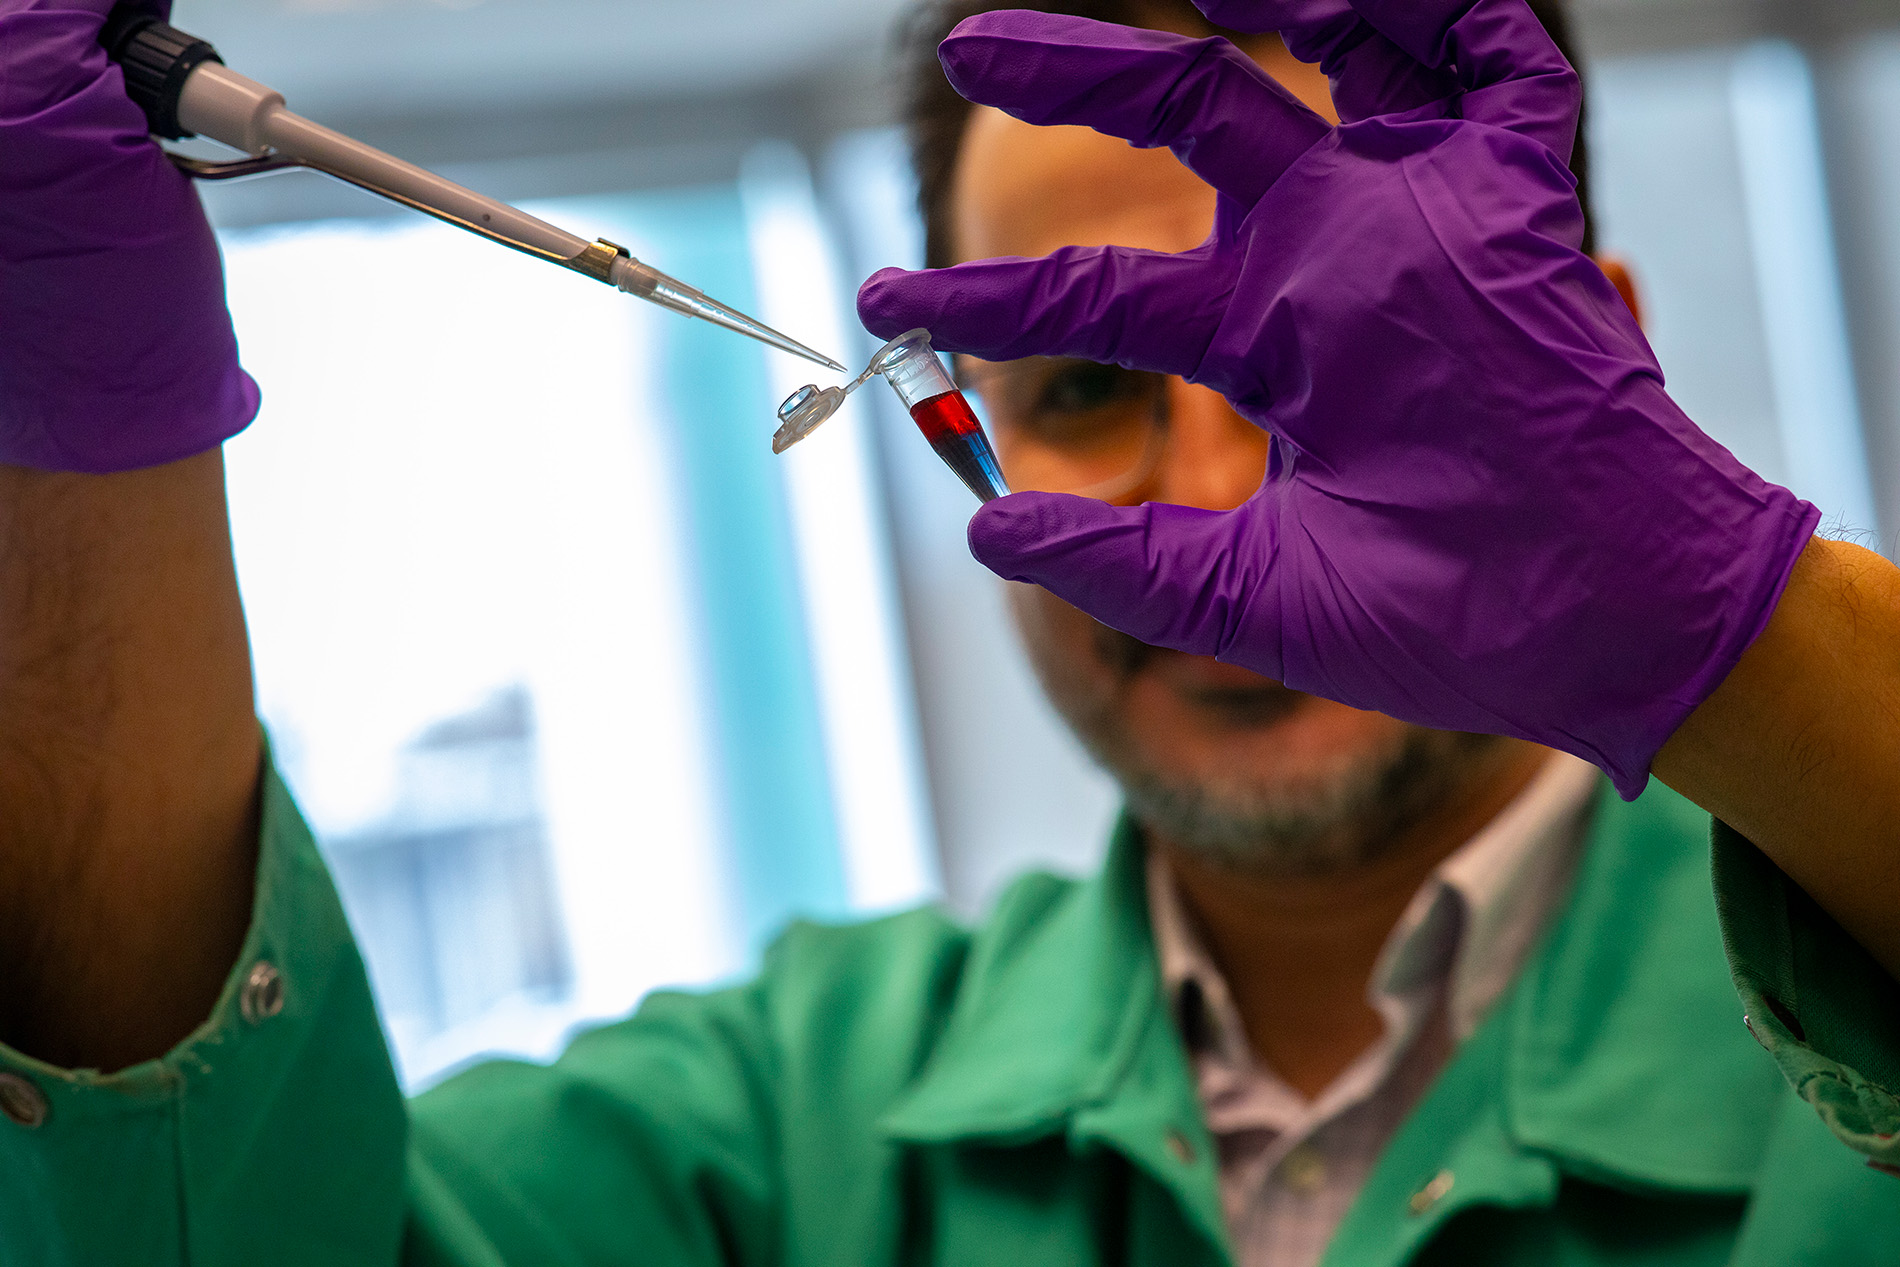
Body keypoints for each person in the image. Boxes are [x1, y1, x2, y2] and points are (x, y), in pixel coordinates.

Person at [1, 2, 1898, 1266]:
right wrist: (88, 461)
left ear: (1606, 365)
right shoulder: (783, 1136)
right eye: (1089, 387)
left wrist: (1742, 631)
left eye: (1339, 375)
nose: (1220, 492)